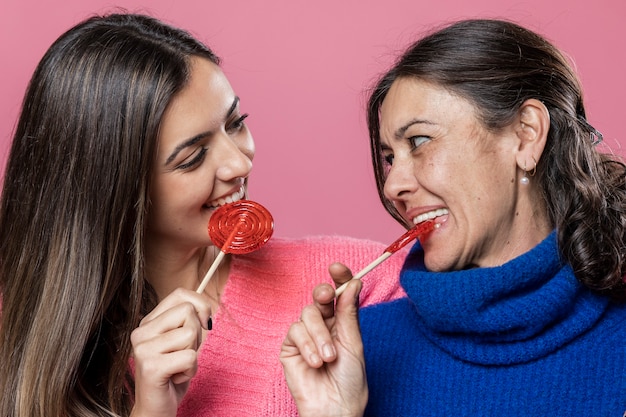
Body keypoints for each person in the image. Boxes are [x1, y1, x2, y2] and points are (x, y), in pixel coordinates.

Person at [0, 13, 407, 417]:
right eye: (193, 158)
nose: (238, 164)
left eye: (235, 124)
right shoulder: (22, 345)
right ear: (111, 189)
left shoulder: (355, 285)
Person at [281, 18, 626, 416]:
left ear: (525, 134)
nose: (393, 186)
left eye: (419, 141)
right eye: (390, 158)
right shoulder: (359, 351)